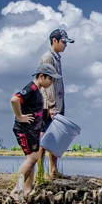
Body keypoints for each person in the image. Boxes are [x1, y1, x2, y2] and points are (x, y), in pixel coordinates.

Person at [10, 63, 62, 200]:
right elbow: (14, 99)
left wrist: (48, 114)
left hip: (33, 131)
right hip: (25, 130)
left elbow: (35, 110)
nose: (51, 82)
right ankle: (16, 190)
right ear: (41, 76)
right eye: (50, 79)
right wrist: (20, 116)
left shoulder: (38, 91)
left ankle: (27, 189)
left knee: (31, 159)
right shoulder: (31, 88)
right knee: (32, 159)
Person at [38, 28, 74, 179]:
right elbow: (47, 84)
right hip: (48, 105)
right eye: (63, 42)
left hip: (58, 103)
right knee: (44, 138)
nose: (65, 45)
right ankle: (40, 171)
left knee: (56, 139)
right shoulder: (48, 57)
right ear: (54, 41)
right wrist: (52, 106)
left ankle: (53, 170)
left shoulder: (57, 57)